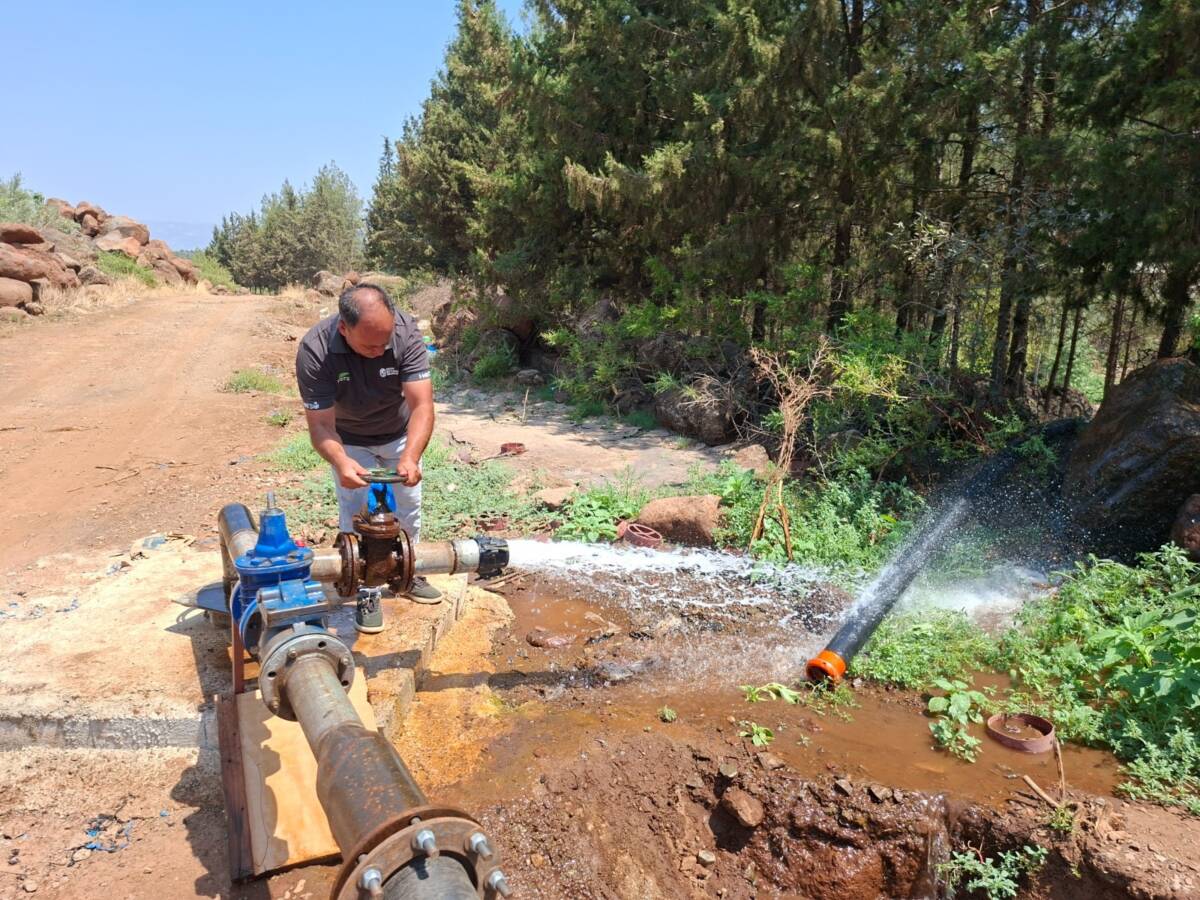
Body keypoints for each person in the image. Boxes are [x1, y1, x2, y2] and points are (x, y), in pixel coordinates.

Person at [295, 283, 442, 632]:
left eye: (385, 341)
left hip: (398, 432)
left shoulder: (405, 335)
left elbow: (422, 405)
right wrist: (343, 462)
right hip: (348, 438)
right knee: (354, 508)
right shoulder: (315, 350)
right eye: (370, 345)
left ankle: (410, 570)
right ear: (344, 329)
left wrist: (410, 456)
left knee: (408, 504)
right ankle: (365, 589)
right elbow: (320, 426)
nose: (380, 350)